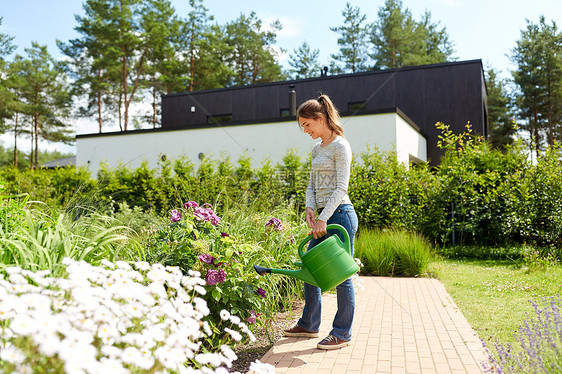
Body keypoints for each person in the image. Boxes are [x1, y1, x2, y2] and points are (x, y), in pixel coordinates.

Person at [283, 94, 359, 350]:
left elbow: (341, 187)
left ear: (320, 118)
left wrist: (324, 217)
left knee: (342, 277)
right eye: (302, 126)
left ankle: (342, 333)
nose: (305, 130)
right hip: (322, 219)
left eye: (307, 124)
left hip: (340, 217)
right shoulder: (317, 149)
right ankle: (309, 324)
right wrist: (309, 206)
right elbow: (312, 184)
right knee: (310, 266)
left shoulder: (341, 146)